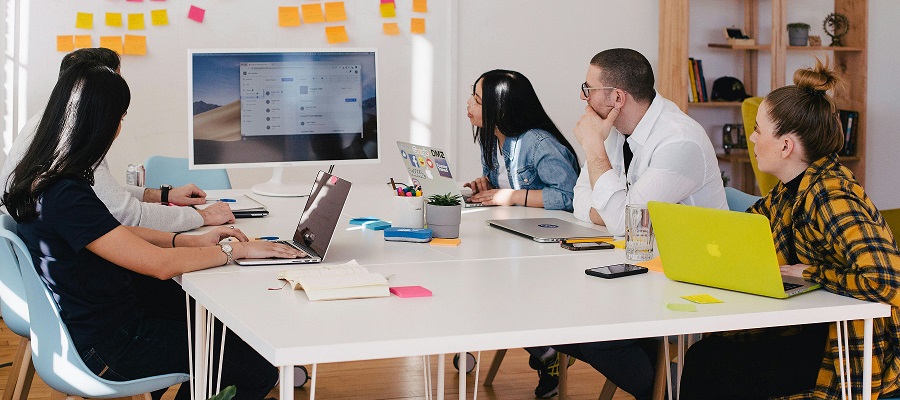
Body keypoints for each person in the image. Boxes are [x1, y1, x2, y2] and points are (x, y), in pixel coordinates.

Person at [1, 61, 306, 400]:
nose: (119, 128)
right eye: (120, 117)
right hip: (107, 345)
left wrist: (190, 242)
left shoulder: (45, 177)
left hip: (97, 324)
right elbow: (159, 266)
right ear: (101, 122)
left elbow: (113, 233)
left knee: (215, 328)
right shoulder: (65, 193)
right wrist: (236, 250)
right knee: (254, 367)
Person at [678, 59, 900, 400]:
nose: (751, 138)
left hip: (848, 345)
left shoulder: (831, 195)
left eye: (758, 130)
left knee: (713, 365)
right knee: (708, 354)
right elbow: (745, 229)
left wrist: (811, 272)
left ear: (786, 146)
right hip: (813, 327)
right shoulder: (790, 189)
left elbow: (886, 281)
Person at [0, 47, 233, 232]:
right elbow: (128, 216)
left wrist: (164, 195)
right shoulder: (72, 140)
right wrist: (202, 216)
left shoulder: (48, 123)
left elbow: (100, 193)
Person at [572, 48, 727, 235]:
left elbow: (626, 224)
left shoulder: (680, 141)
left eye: (589, 89)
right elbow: (579, 198)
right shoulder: (611, 127)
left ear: (618, 98)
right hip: (647, 255)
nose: (583, 96)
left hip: (697, 260)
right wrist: (612, 215)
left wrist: (594, 147)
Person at [463, 69, 580, 212]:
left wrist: (513, 196)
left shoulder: (538, 143)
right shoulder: (490, 138)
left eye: (477, 100)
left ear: (501, 110)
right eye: (472, 96)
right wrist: (487, 186)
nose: (469, 103)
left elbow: (569, 197)